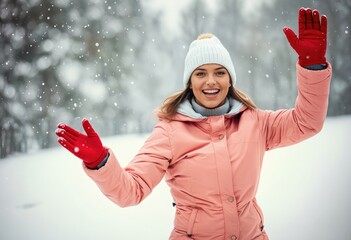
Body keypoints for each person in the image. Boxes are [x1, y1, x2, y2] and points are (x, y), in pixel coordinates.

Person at [55, 7, 332, 240]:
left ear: (230, 79)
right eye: (201, 73)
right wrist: (100, 162)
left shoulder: (254, 122)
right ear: (190, 82)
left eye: (219, 72)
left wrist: (313, 66)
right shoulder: (169, 132)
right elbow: (131, 191)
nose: (211, 81)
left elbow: (306, 122)